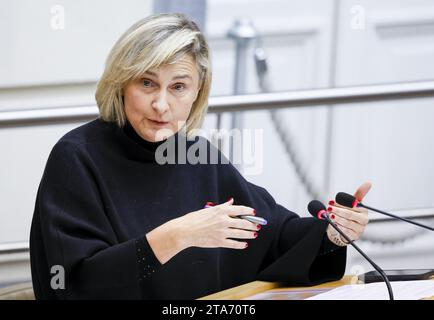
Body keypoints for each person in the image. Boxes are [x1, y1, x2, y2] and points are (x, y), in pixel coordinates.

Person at [29, 13, 370, 300]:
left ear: (197, 92)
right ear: (121, 85)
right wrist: (176, 237)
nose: (161, 105)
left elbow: (274, 235)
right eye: (147, 83)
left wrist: (332, 234)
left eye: (178, 87)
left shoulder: (197, 156)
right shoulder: (76, 158)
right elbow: (73, 284)